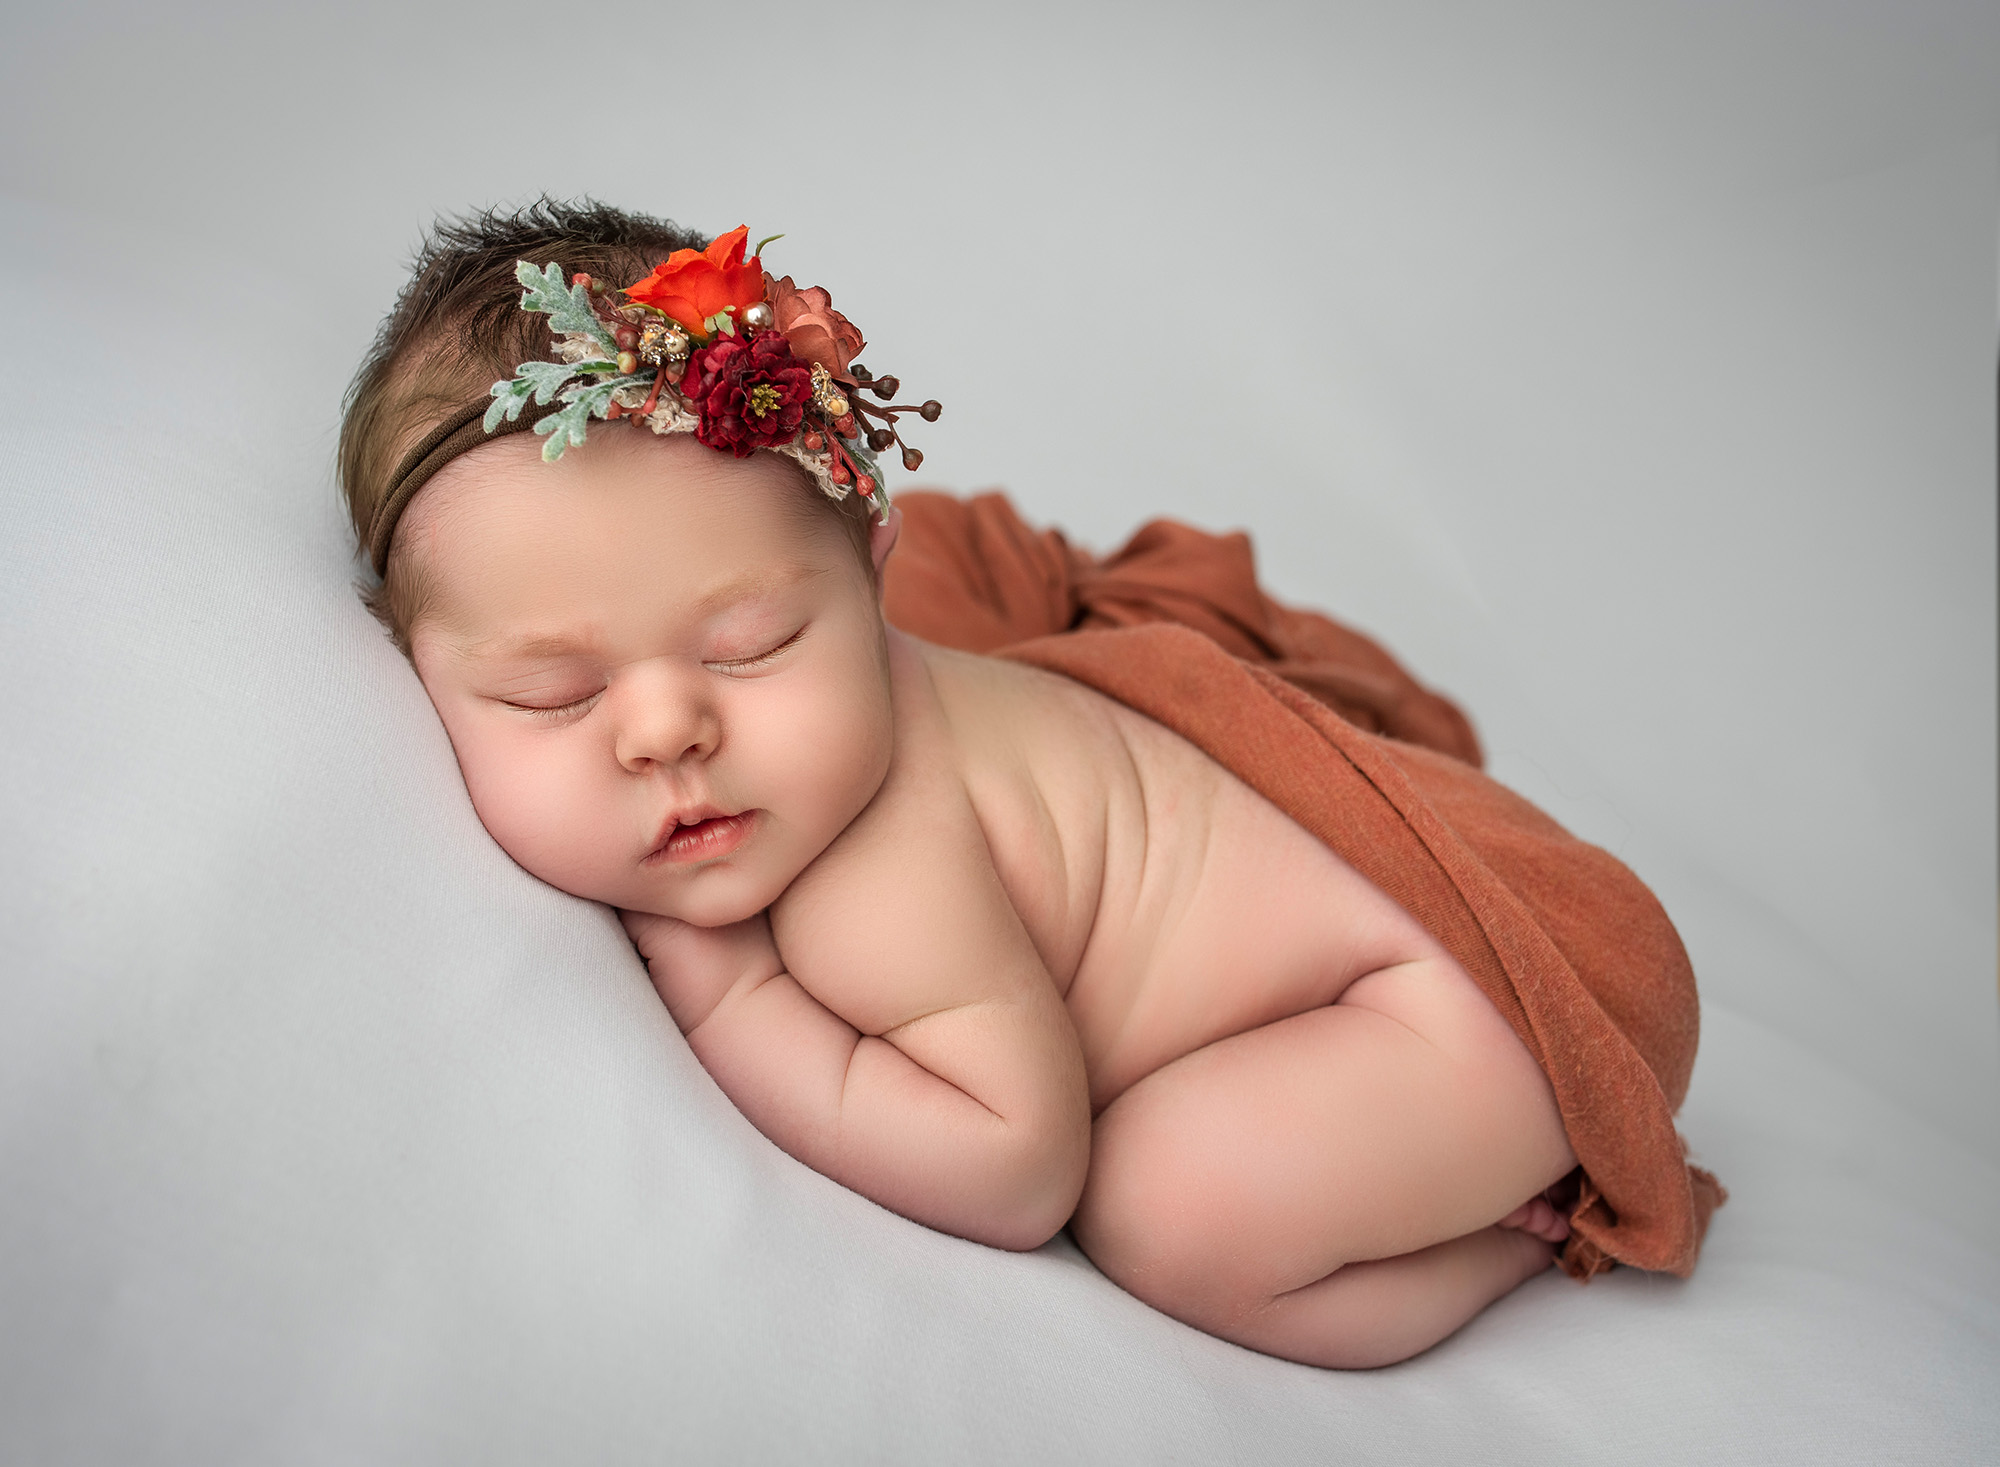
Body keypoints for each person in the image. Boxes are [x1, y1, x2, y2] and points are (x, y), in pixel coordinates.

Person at [338, 199, 1718, 1370]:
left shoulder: (878, 869)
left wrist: (730, 991)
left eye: (753, 646)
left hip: (1467, 1009)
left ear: (872, 580)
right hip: (1377, 975)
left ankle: (1515, 1243)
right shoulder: (786, 744)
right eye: (553, 695)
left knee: (1167, 1210)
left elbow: (1016, 1171)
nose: (665, 732)